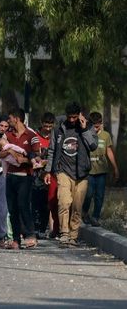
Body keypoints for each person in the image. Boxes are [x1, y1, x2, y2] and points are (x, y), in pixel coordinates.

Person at [45, 102, 99, 247]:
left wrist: (84, 128)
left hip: (81, 175)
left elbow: (93, 146)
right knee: (63, 202)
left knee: (76, 206)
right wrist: (49, 171)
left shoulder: (87, 128)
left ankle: (73, 236)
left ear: (80, 115)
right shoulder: (58, 130)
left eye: (75, 117)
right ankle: (64, 233)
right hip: (63, 171)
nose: (72, 120)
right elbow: (51, 151)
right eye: (70, 117)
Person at [3, 108, 40, 249]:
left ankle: (30, 236)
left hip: (25, 177)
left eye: (10, 118)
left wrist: (22, 160)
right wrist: (11, 152)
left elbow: (37, 157)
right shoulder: (7, 135)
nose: (8, 121)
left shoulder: (31, 136)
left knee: (23, 206)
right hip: (10, 176)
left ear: (17, 119)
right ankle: (16, 240)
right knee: (12, 209)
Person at [83, 112, 119, 227]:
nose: (96, 128)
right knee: (88, 194)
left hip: (101, 171)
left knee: (99, 195)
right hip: (89, 171)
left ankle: (95, 217)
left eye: (98, 125)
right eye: (94, 125)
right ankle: (84, 212)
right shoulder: (86, 134)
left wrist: (115, 168)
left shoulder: (106, 135)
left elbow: (109, 151)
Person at [33, 112, 57, 237]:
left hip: (50, 174)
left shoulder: (55, 137)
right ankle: (36, 228)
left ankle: (43, 229)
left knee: (47, 203)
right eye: (46, 125)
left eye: (50, 126)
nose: (48, 129)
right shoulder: (35, 136)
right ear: (41, 123)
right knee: (36, 201)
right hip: (36, 175)